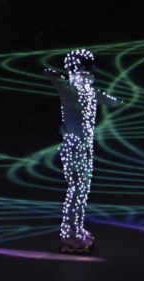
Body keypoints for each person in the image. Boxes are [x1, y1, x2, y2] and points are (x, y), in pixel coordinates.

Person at [43, 50, 122, 254]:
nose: (87, 73)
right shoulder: (70, 89)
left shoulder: (90, 92)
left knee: (81, 192)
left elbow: (109, 100)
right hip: (74, 148)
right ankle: (69, 235)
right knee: (76, 191)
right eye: (83, 68)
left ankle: (75, 228)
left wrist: (120, 102)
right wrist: (54, 75)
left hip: (85, 148)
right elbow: (56, 79)